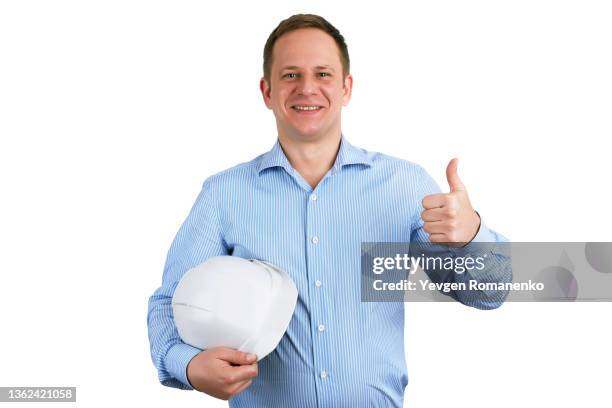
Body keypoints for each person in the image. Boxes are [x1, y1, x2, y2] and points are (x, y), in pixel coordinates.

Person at [147, 13, 511, 407]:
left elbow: (490, 293)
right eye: (290, 75)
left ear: (346, 88)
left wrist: (472, 234)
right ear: (266, 91)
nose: (307, 88)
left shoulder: (404, 186)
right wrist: (187, 366)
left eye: (322, 74)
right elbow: (170, 303)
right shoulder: (224, 195)